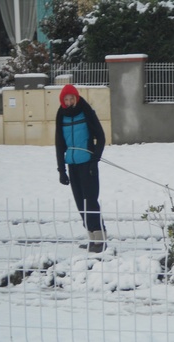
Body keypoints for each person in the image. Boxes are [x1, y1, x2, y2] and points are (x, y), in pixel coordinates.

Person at [55, 84, 107, 253]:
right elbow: (59, 143)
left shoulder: (86, 111)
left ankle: (101, 238)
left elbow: (100, 136)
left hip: (87, 163)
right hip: (72, 164)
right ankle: (92, 238)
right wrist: (61, 170)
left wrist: (95, 159)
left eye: (72, 98)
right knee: (80, 202)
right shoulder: (61, 114)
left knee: (90, 200)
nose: (69, 102)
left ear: (76, 98)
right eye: (66, 99)